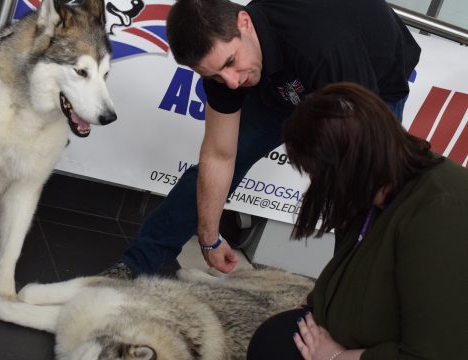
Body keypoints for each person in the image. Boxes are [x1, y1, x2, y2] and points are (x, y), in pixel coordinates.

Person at [102, 0, 421, 278]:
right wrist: (209, 237)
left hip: (371, 78)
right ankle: (134, 267)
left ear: (244, 22)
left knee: (361, 190)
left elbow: (359, 161)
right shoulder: (226, 67)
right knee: (221, 159)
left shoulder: (325, 46)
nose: (230, 81)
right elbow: (219, 154)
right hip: (283, 79)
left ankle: (335, 307)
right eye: (214, 75)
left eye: (230, 63)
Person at [246, 82, 468, 360]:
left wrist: (336, 357)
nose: (316, 184)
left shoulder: (440, 210)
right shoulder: (378, 186)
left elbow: (436, 352)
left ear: (347, 164)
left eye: (317, 173)